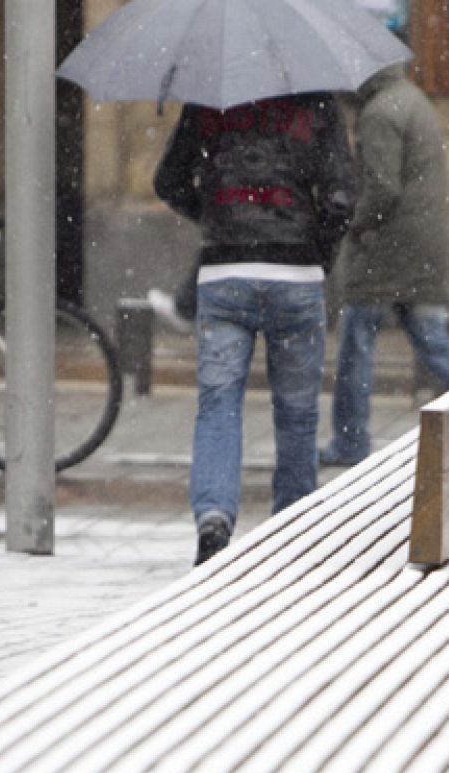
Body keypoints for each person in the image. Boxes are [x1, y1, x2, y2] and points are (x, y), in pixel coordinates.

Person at [154, 93, 355, 564]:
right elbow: (342, 199)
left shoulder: (207, 103)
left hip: (226, 273)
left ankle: (214, 519)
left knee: (219, 406)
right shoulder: (318, 103)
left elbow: (167, 181)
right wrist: (317, 249)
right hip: (296, 274)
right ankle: (294, 528)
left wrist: (216, 216)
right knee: (297, 413)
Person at [319, 65, 449, 467]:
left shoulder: (379, 114)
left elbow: (382, 188)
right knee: (432, 339)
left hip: (387, 250)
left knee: (356, 345)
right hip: (420, 245)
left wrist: (352, 226)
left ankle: (350, 441)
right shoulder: (410, 98)